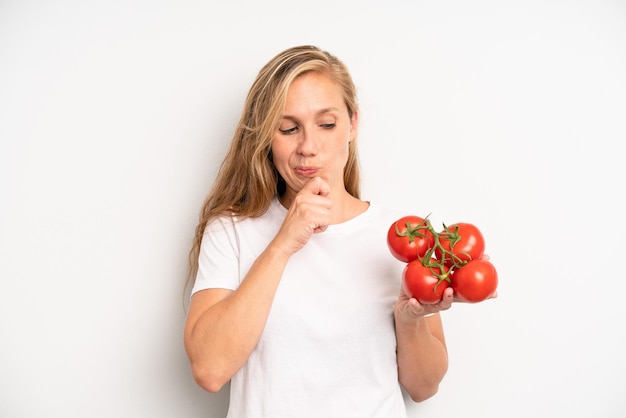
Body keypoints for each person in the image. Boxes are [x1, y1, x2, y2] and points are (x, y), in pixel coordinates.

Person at [183, 45, 453, 418]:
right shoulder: (232, 230)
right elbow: (210, 370)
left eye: (327, 124)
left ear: (352, 125)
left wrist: (409, 321)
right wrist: (282, 244)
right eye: (288, 128)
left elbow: (424, 387)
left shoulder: (402, 234)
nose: (309, 147)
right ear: (266, 137)